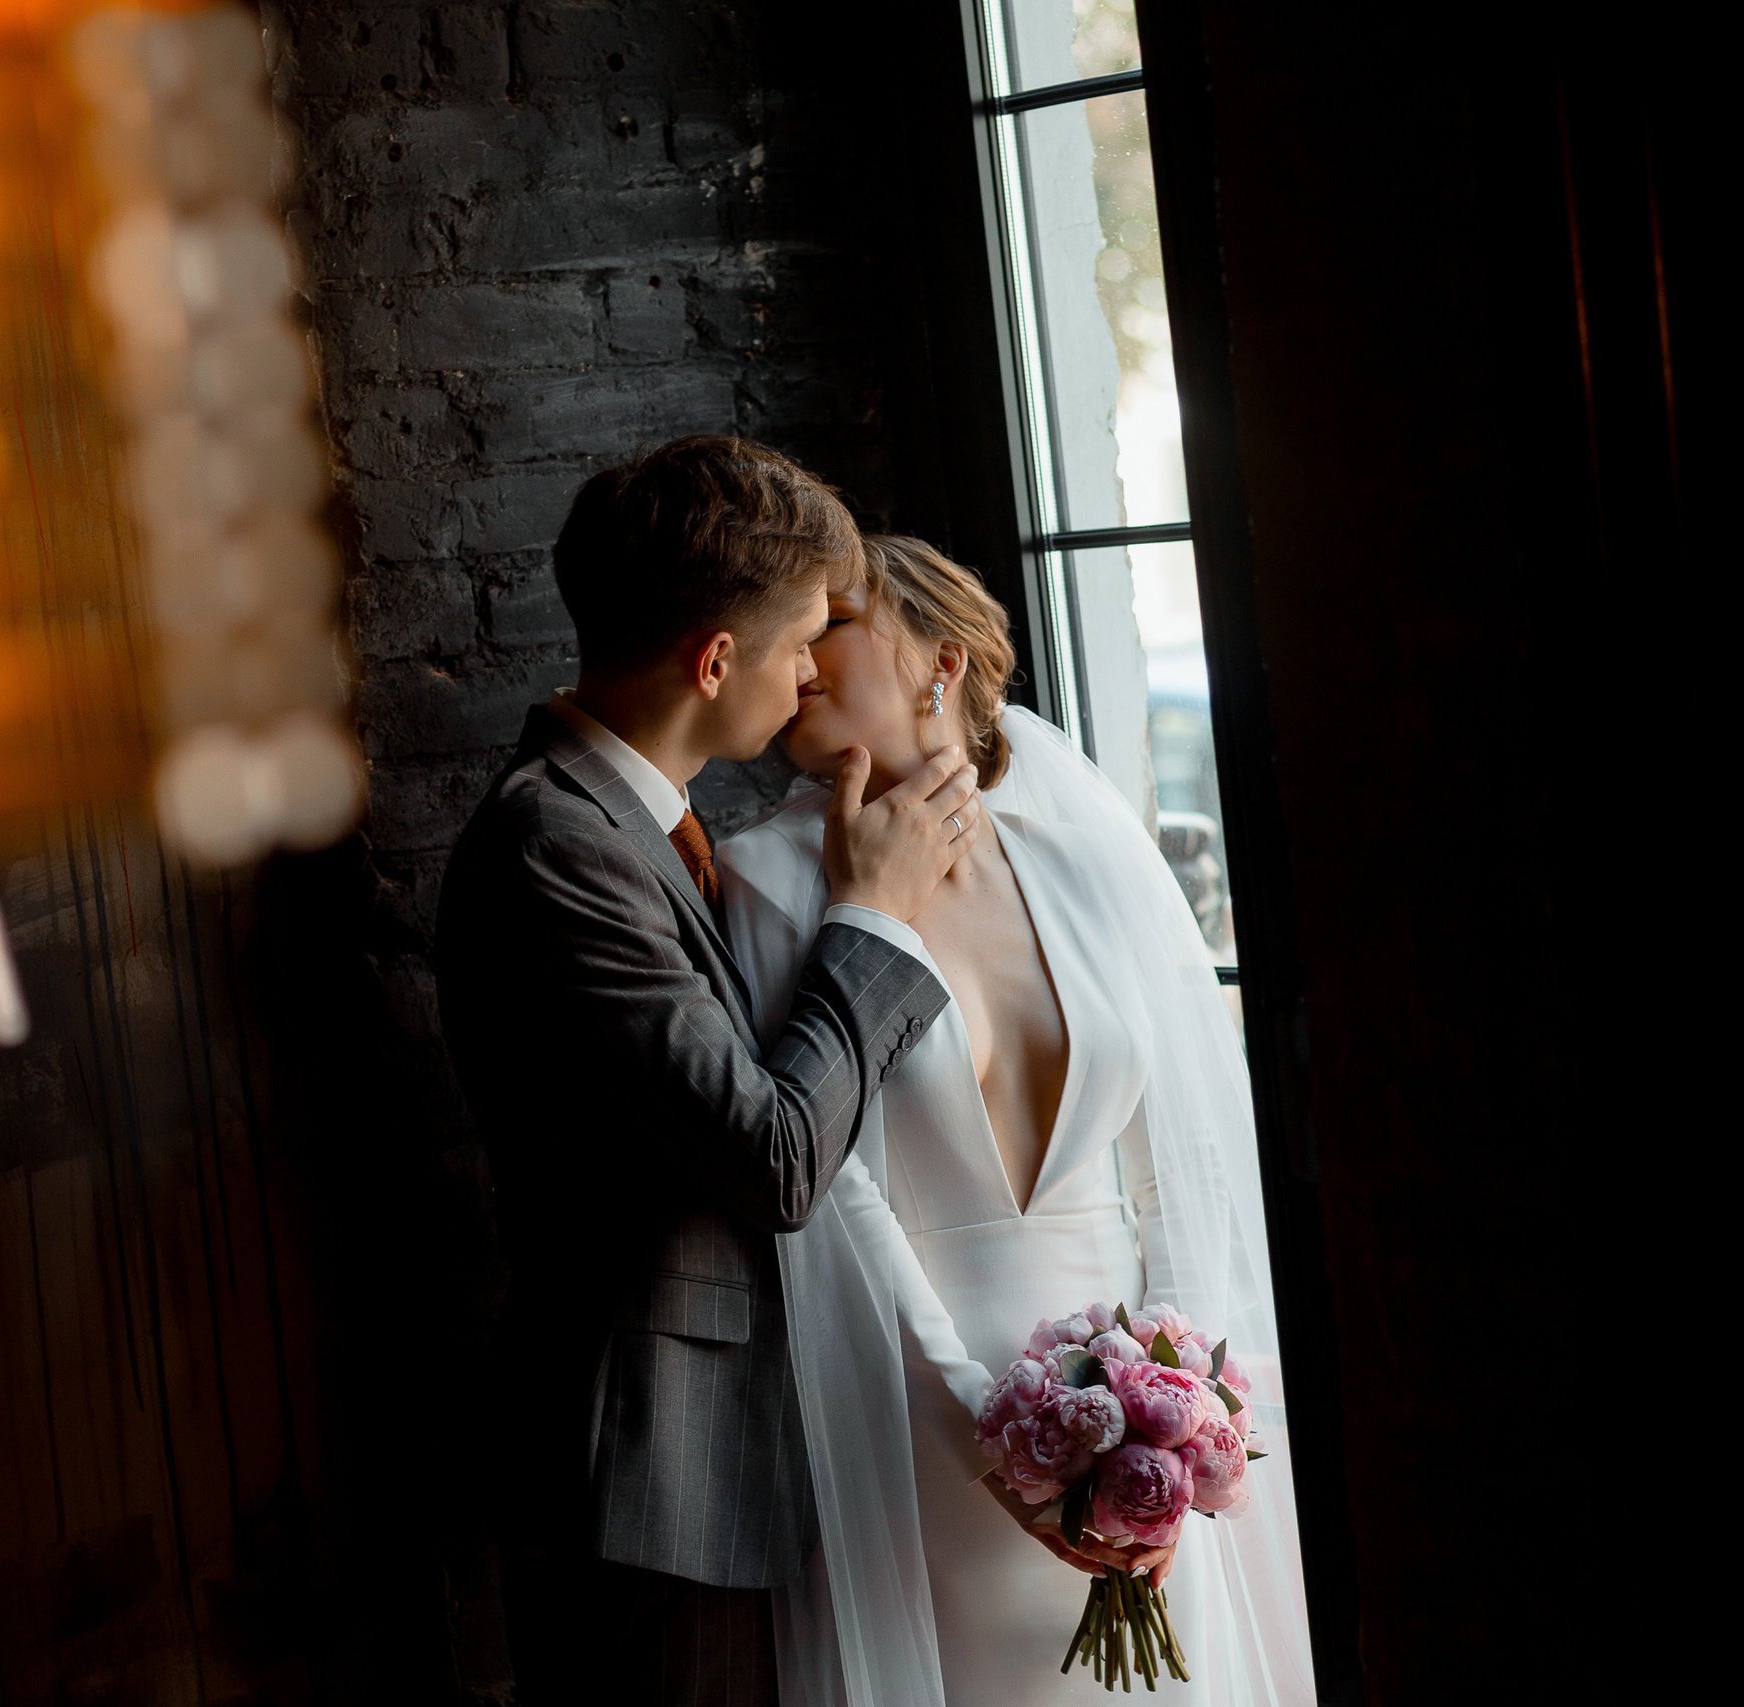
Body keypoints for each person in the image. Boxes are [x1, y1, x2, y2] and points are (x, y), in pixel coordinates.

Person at [717, 536, 1317, 1706]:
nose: (795, 652)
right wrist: (986, 1440)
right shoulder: (770, 878)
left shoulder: (1084, 860)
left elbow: (1175, 1168)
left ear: (938, 660)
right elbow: (833, 1192)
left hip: (1141, 1446)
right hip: (915, 1426)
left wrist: (1176, 1417)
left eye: (830, 621)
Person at [436, 442, 980, 1706]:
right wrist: (877, 917)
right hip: (645, 1480)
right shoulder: (553, 846)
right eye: (799, 644)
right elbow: (775, 1159)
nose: (809, 678)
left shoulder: (650, 830)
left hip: (719, 1470)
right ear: (715, 662)